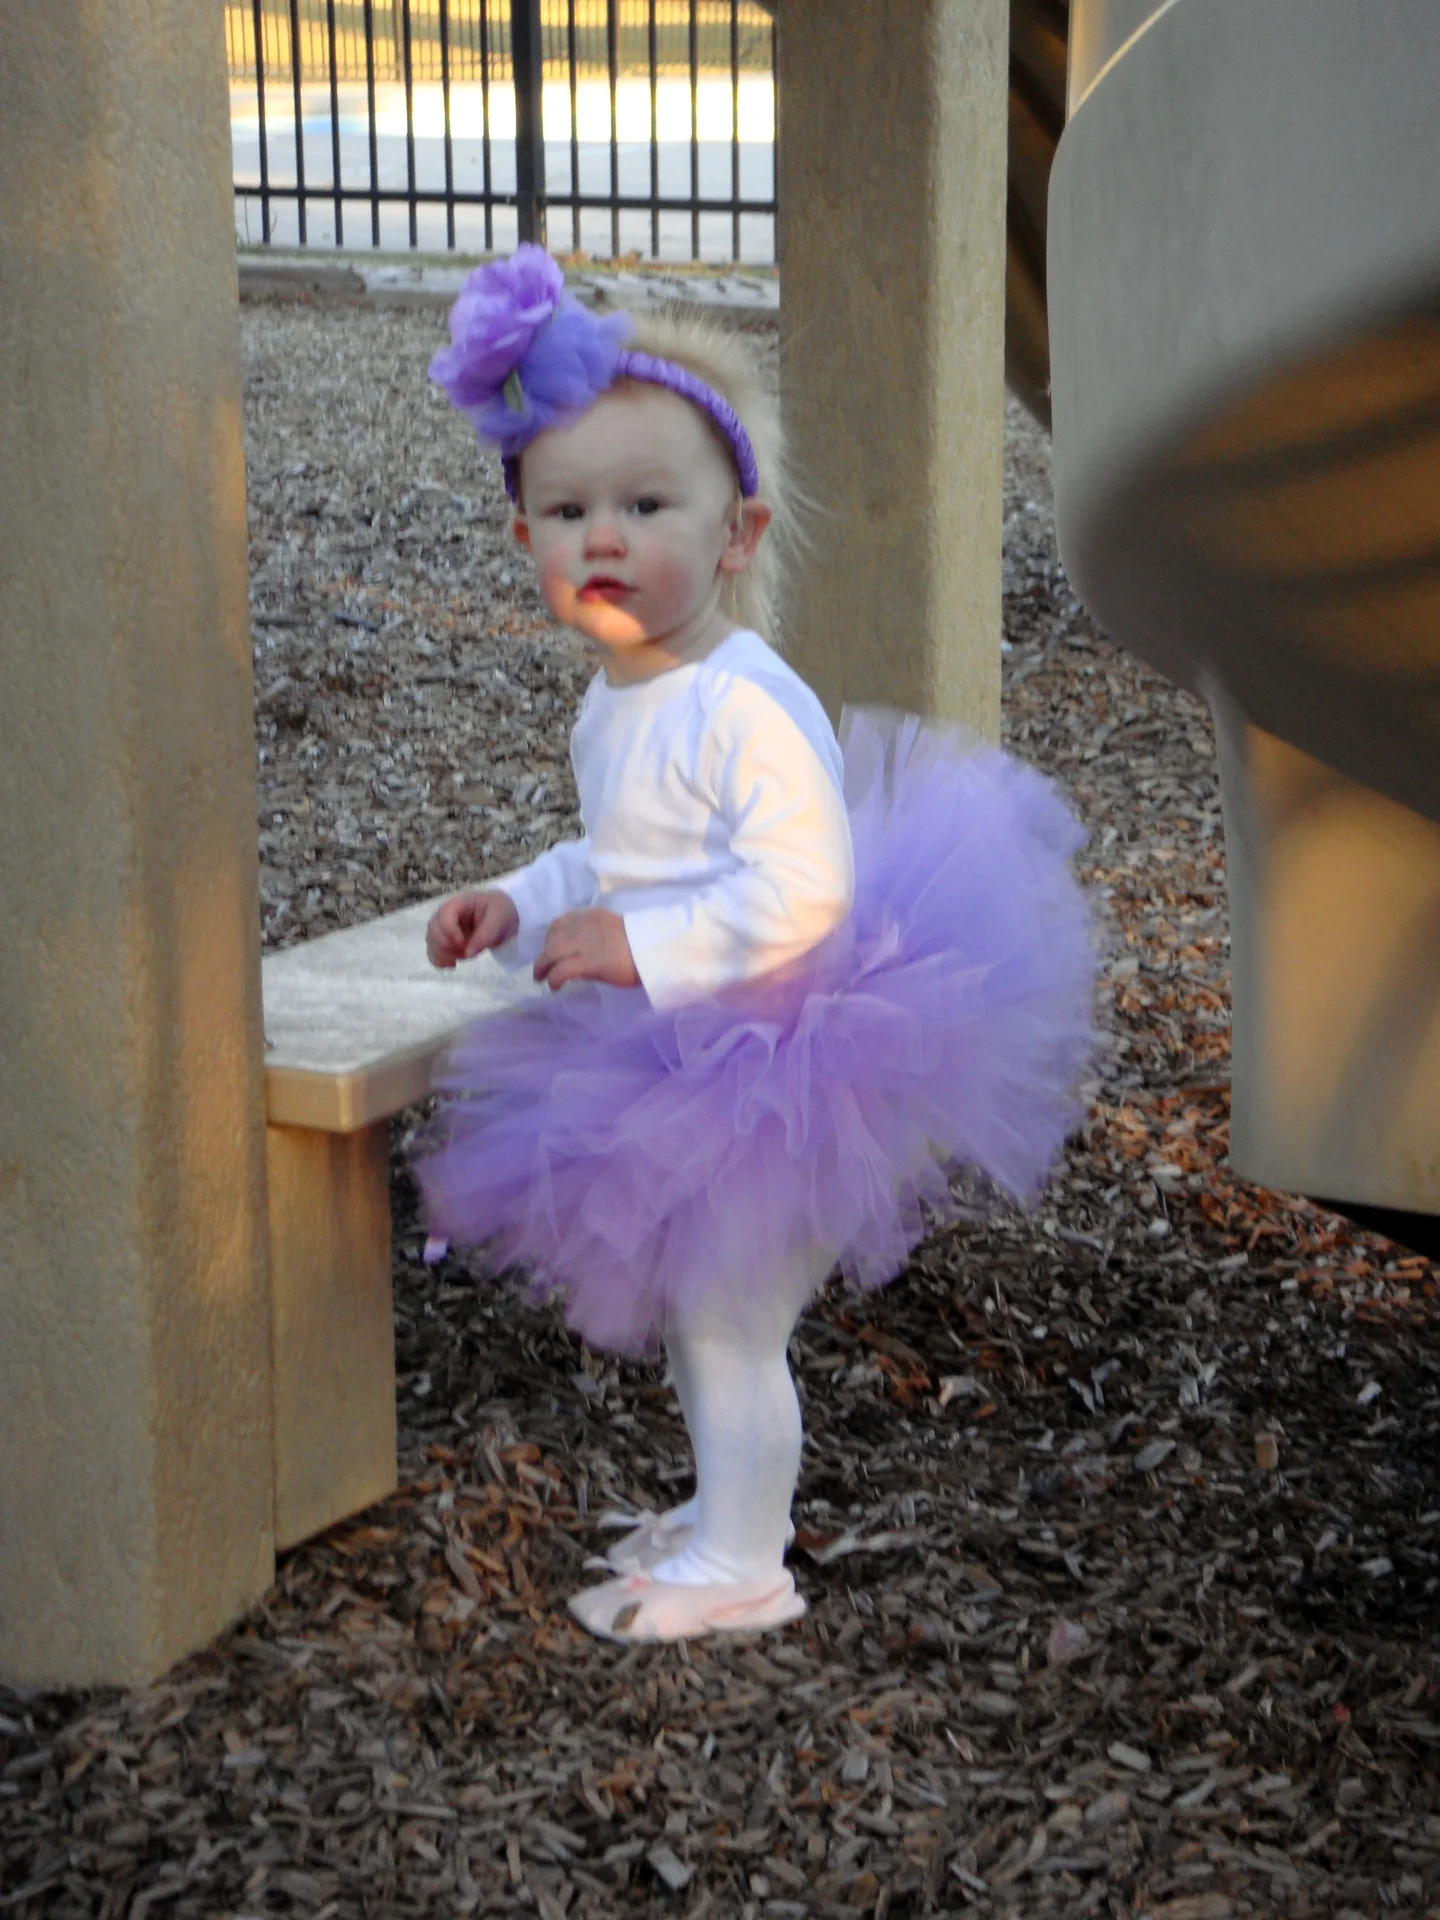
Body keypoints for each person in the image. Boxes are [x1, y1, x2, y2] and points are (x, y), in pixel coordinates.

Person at [417, 245, 1096, 1644]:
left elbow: (803, 892)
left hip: (792, 1050)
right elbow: (619, 855)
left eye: (645, 505)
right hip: (693, 1039)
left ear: (737, 534)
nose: (603, 539)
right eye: (568, 511)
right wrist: (525, 901)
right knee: (702, 1309)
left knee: (730, 1318)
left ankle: (747, 1562)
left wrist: (640, 947)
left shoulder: (738, 702)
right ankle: (724, 1511)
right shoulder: (620, 700)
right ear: (526, 540)